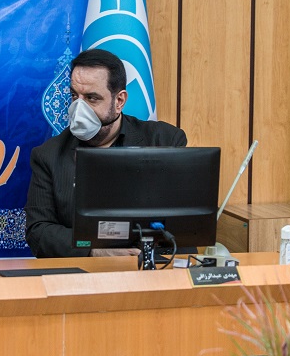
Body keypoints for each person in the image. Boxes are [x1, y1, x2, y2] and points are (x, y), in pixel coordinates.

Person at [25, 49, 187, 258]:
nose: (78, 108)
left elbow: (182, 225)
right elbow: (39, 232)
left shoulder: (164, 141)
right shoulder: (48, 155)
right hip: (81, 272)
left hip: (149, 268)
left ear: (119, 101)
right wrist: (93, 250)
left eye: (91, 98)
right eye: (74, 96)